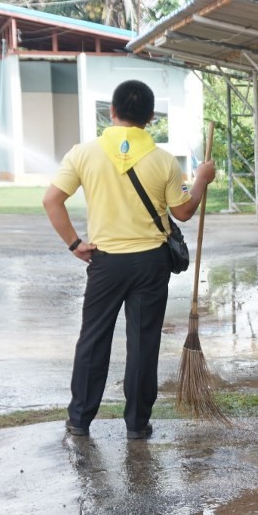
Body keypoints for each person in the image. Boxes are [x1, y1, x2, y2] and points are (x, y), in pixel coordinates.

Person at [43, 80, 214, 439]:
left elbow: (51, 200)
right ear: (151, 117)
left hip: (105, 263)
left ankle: (80, 419)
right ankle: (137, 424)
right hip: (151, 263)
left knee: (93, 339)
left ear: (111, 111)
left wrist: (74, 243)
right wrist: (201, 179)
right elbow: (183, 212)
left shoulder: (83, 153)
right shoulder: (163, 161)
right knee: (143, 343)